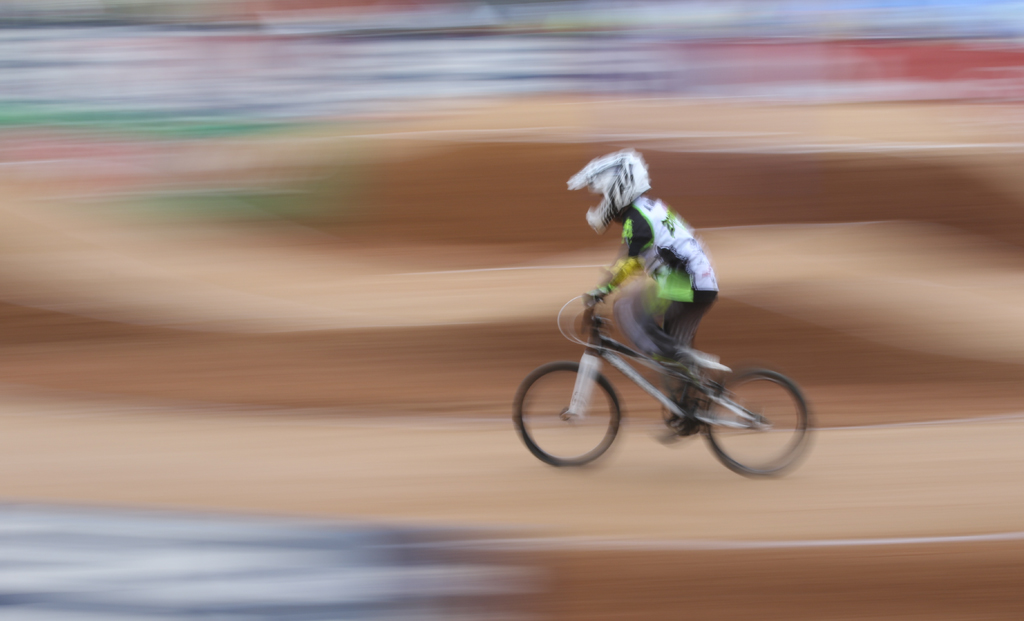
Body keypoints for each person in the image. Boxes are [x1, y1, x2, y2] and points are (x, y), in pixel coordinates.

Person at [568, 149, 719, 368]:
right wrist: (603, 286)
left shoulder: (637, 218)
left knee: (627, 308)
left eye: (603, 196)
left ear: (618, 190)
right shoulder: (643, 210)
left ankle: (688, 363)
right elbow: (626, 256)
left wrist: (602, 290)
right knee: (674, 365)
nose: (601, 202)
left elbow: (631, 263)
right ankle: (692, 374)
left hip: (689, 285)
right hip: (693, 283)